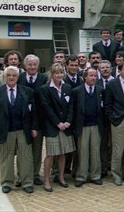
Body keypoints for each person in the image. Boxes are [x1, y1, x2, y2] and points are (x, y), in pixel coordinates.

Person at [0, 66, 38, 194]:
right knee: (6, 158)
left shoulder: (27, 91)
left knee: (26, 157)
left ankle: (27, 182)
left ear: (17, 77)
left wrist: (34, 127)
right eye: (9, 75)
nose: (11, 77)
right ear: (5, 77)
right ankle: (7, 182)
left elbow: (33, 112)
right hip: (5, 130)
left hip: (23, 129)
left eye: (14, 75)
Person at [39, 63, 76, 192]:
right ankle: (47, 180)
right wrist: (58, 123)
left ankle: (60, 177)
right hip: (52, 127)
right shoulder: (45, 89)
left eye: (61, 73)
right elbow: (46, 108)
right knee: (50, 154)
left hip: (66, 127)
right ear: (52, 74)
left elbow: (71, 106)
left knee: (62, 153)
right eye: (57, 73)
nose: (59, 75)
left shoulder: (67, 88)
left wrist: (68, 122)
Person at [104, 61, 124, 186]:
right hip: (118, 120)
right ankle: (116, 174)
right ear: (119, 71)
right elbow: (108, 104)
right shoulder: (112, 84)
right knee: (118, 149)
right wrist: (112, 118)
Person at [17, 54, 47, 186]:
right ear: (25, 66)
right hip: (22, 120)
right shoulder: (19, 78)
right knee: (22, 149)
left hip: (39, 119)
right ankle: (21, 175)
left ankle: (35, 174)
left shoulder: (44, 78)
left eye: (35, 64)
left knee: (37, 148)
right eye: (30, 64)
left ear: (38, 66)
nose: (32, 67)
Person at [72, 68, 104, 187]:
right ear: (85, 77)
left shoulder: (100, 90)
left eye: (95, 76)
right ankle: (81, 176)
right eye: (91, 75)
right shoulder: (76, 91)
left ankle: (95, 175)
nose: (93, 78)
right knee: (83, 151)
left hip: (96, 125)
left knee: (95, 151)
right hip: (83, 126)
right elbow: (73, 109)